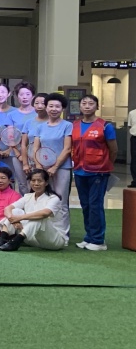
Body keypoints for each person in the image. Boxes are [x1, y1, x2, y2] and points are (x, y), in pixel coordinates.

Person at [71, 93, 117, 251]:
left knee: (95, 205)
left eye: (91, 103)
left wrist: (106, 165)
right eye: (84, 103)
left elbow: (113, 150)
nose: (87, 106)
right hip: (79, 171)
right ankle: (89, 237)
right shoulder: (75, 125)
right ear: (79, 106)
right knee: (85, 205)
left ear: (97, 107)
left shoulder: (105, 126)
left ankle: (98, 240)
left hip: (98, 172)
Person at [0, 169, 70, 251]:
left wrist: (19, 218)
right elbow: (8, 208)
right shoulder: (27, 196)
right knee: (15, 211)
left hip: (54, 241)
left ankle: (14, 242)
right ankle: (2, 238)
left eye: (39, 181)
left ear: (46, 182)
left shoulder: (53, 198)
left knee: (39, 217)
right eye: (33, 180)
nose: (36, 183)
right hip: (32, 240)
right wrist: (13, 220)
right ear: (30, 182)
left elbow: (45, 213)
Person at [28, 92, 73, 200]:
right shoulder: (40, 127)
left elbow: (67, 149)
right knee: (45, 198)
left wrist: (55, 167)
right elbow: (36, 148)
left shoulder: (68, 125)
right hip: (43, 167)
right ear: (46, 107)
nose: (54, 109)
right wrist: (38, 165)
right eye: (51, 106)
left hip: (62, 167)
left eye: (57, 106)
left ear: (62, 109)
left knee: (60, 199)